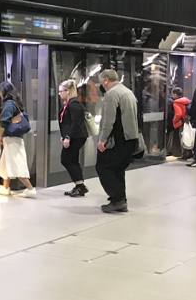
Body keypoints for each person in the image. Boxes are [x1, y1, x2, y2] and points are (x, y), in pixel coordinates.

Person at [95, 70, 139, 212]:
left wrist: (102, 140)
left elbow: (109, 120)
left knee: (104, 167)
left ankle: (118, 199)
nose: (102, 85)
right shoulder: (127, 92)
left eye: (101, 82)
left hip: (118, 139)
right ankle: (119, 198)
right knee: (118, 169)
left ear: (106, 81)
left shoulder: (112, 94)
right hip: (130, 139)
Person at [0, 82, 37, 197]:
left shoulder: (9, 104)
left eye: (0, 91)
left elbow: (4, 121)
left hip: (12, 138)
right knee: (5, 163)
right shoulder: (16, 103)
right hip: (14, 138)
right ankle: (5, 187)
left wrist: (0, 135)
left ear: (4, 92)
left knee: (17, 163)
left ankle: (30, 188)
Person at [58, 79, 89, 197]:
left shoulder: (74, 104)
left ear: (68, 91)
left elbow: (76, 123)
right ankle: (79, 185)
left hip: (76, 137)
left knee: (67, 159)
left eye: (61, 91)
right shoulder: (68, 104)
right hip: (72, 136)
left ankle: (80, 185)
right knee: (71, 159)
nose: (60, 94)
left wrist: (68, 137)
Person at [168, 87, 191, 159]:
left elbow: (178, 114)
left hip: (180, 121)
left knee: (182, 138)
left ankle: (184, 154)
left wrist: (174, 121)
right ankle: (189, 153)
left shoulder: (176, 102)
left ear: (175, 94)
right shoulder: (186, 100)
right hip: (186, 121)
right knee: (187, 136)